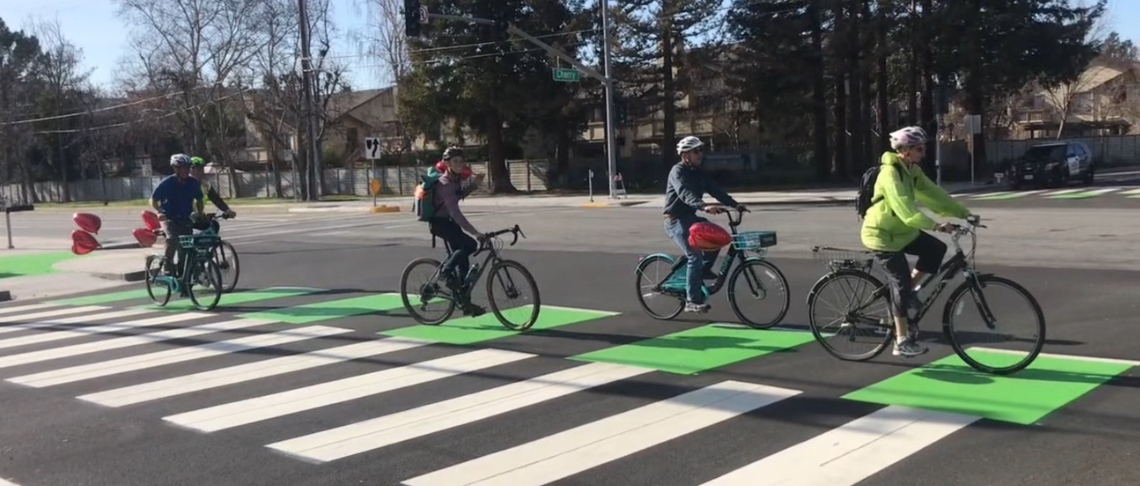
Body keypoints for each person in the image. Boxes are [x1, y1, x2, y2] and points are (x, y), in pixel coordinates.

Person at [861, 126, 975, 357]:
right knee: (900, 283)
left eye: (923, 147)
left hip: (902, 232)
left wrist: (963, 213)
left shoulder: (911, 170)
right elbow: (905, 210)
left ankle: (907, 293)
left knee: (936, 249)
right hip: (882, 235)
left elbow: (933, 194)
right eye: (919, 148)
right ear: (904, 150)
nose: (923, 151)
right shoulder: (891, 174)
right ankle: (901, 340)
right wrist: (936, 225)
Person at [663, 136, 747, 314]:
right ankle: (691, 301)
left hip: (690, 218)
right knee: (694, 256)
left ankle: (702, 271)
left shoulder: (698, 172)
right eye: (696, 151)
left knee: (716, 237)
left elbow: (715, 189)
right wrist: (704, 206)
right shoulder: (677, 171)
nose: (700, 154)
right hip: (676, 220)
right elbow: (684, 193)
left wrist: (734, 204)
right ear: (685, 155)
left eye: (701, 150)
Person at [429, 147, 486, 316]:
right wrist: (476, 232)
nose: (460, 164)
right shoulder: (445, 183)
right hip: (439, 223)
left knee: (463, 260)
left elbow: (459, 195)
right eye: (455, 161)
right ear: (447, 164)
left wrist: (475, 184)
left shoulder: (455, 180)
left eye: (461, 161)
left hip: (448, 222)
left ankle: (464, 302)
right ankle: (446, 272)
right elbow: (455, 212)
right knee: (469, 244)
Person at [150, 154, 204, 276]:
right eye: (182, 167)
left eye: (187, 167)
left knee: (186, 248)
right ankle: (167, 265)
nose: (186, 170)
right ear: (175, 169)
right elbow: (153, 199)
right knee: (172, 238)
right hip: (168, 218)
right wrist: (159, 212)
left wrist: (199, 214)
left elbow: (199, 200)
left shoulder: (193, 183)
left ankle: (182, 274)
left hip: (185, 218)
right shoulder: (167, 183)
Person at [189, 156, 236, 232]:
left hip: (199, 217)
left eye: (202, 169)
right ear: (190, 170)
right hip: (186, 218)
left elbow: (216, 199)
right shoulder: (184, 184)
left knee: (214, 225)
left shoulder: (205, 185)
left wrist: (227, 210)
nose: (200, 172)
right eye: (197, 169)